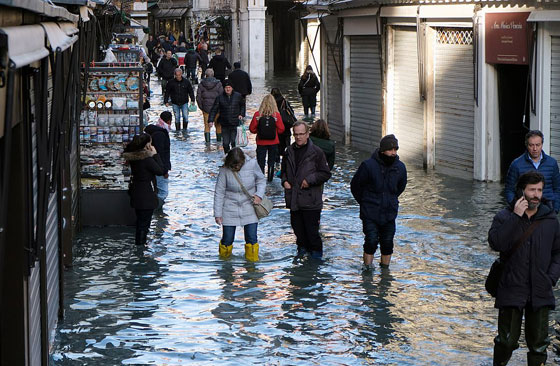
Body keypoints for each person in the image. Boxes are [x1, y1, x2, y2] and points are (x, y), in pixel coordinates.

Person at [488, 171, 560, 366]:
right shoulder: (504, 216)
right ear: (522, 191)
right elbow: (496, 243)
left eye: (539, 190)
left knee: (539, 345)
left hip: (540, 288)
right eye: (532, 190)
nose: (536, 194)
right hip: (512, 287)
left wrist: (551, 277)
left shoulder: (551, 220)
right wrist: (516, 217)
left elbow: (558, 253)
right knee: (506, 341)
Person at [350, 134, 407, 268]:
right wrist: (365, 202)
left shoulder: (400, 167)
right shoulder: (368, 165)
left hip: (389, 211)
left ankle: (385, 270)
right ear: (382, 150)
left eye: (395, 149)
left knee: (387, 242)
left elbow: (401, 187)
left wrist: (391, 199)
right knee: (371, 240)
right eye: (390, 149)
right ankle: (368, 269)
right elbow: (355, 186)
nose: (393, 153)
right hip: (370, 211)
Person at [281, 121, 332, 258]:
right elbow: (283, 171)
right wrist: (284, 181)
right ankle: (301, 256)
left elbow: (325, 173)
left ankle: (315, 263)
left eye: (301, 134)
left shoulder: (317, 152)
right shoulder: (289, 151)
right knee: (299, 233)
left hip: (311, 201)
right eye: (296, 134)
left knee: (312, 234)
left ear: (307, 134)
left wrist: (309, 180)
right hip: (294, 199)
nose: (298, 137)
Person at [214, 147, 266, 261]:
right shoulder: (224, 170)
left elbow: (261, 180)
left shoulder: (252, 164)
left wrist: (259, 195)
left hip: (249, 206)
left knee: (252, 239)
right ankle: (225, 266)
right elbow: (219, 192)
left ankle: (252, 269)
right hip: (229, 207)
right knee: (227, 239)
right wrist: (218, 214)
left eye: (238, 165)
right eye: (233, 166)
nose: (236, 168)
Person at [123, 133, 165, 245]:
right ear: (147, 144)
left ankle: (140, 244)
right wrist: (155, 154)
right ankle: (141, 247)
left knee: (140, 222)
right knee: (144, 224)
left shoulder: (133, 157)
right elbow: (161, 170)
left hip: (136, 192)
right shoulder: (146, 160)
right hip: (146, 194)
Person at [504, 130, 560, 213]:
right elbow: (509, 190)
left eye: (538, 145)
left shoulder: (552, 163)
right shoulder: (516, 164)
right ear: (527, 145)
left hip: (548, 209)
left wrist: (555, 209)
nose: (535, 149)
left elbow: (557, 188)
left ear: (542, 145)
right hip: (525, 210)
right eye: (531, 145)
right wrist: (516, 207)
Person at [249, 94, 285, 181]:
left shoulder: (258, 115)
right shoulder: (276, 115)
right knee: (271, 162)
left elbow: (252, 129)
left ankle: (260, 180)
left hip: (261, 142)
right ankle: (270, 178)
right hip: (273, 142)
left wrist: (260, 130)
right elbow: (281, 129)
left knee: (260, 162)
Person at [208, 79, 246, 153]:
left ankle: (234, 158)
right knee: (225, 143)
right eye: (226, 87)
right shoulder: (219, 98)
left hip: (235, 123)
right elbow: (214, 109)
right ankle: (227, 157)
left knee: (233, 142)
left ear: (232, 88)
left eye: (229, 87)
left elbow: (242, 105)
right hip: (224, 123)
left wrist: (241, 114)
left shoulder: (238, 96)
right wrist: (210, 120)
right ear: (224, 88)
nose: (228, 89)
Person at [144, 111, 172, 208]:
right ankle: (156, 209)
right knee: (163, 192)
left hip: (153, 166)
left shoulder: (155, 131)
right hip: (159, 167)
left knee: (158, 189)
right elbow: (161, 153)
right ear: (169, 121)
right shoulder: (161, 134)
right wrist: (164, 170)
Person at [196, 68, 224, 144]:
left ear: (205, 75)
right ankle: (219, 143)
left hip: (206, 109)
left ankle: (207, 144)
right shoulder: (218, 84)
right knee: (218, 126)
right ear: (213, 74)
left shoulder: (201, 84)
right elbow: (222, 96)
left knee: (207, 127)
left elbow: (198, 97)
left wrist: (202, 107)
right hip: (217, 109)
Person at [271, 88, 296, 161]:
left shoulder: (271, 104)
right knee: (287, 147)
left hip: (275, 129)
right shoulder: (285, 102)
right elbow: (291, 112)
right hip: (286, 127)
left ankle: (276, 163)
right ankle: (288, 161)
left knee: (276, 148)